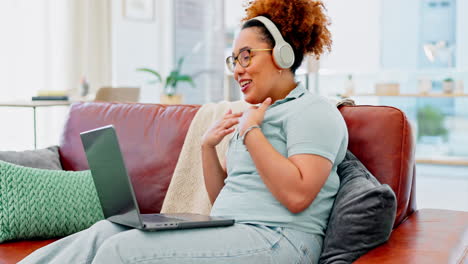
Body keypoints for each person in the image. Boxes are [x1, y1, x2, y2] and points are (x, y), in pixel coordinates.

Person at [20, 0, 348, 263]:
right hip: (234, 229)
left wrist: (251, 133)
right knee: (106, 231)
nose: (238, 69)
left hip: (283, 240)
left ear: (282, 55)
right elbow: (225, 202)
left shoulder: (313, 111)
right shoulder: (253, 116)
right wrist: (208, 148)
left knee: (121, 251)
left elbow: (297, 196)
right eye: (233, 59)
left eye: (246, 56)